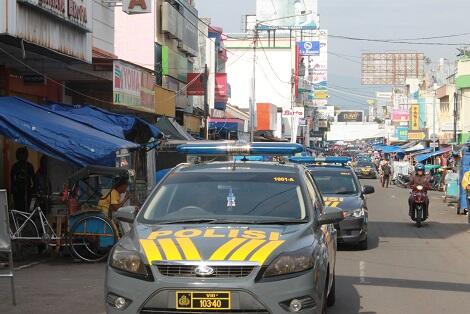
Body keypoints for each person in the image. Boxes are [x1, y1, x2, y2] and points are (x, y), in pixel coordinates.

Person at [10, 147, 35, 212]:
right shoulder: (15, 166)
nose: (22, 156)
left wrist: (33, 190)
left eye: (23, 154)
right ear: (17, 155)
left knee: (28, 208)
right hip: (18, 192)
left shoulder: (29, 166)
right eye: (20, 154)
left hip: (27, 191)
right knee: (18, 208)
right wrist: (13, 191)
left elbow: (34, 179)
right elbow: (12, 180)